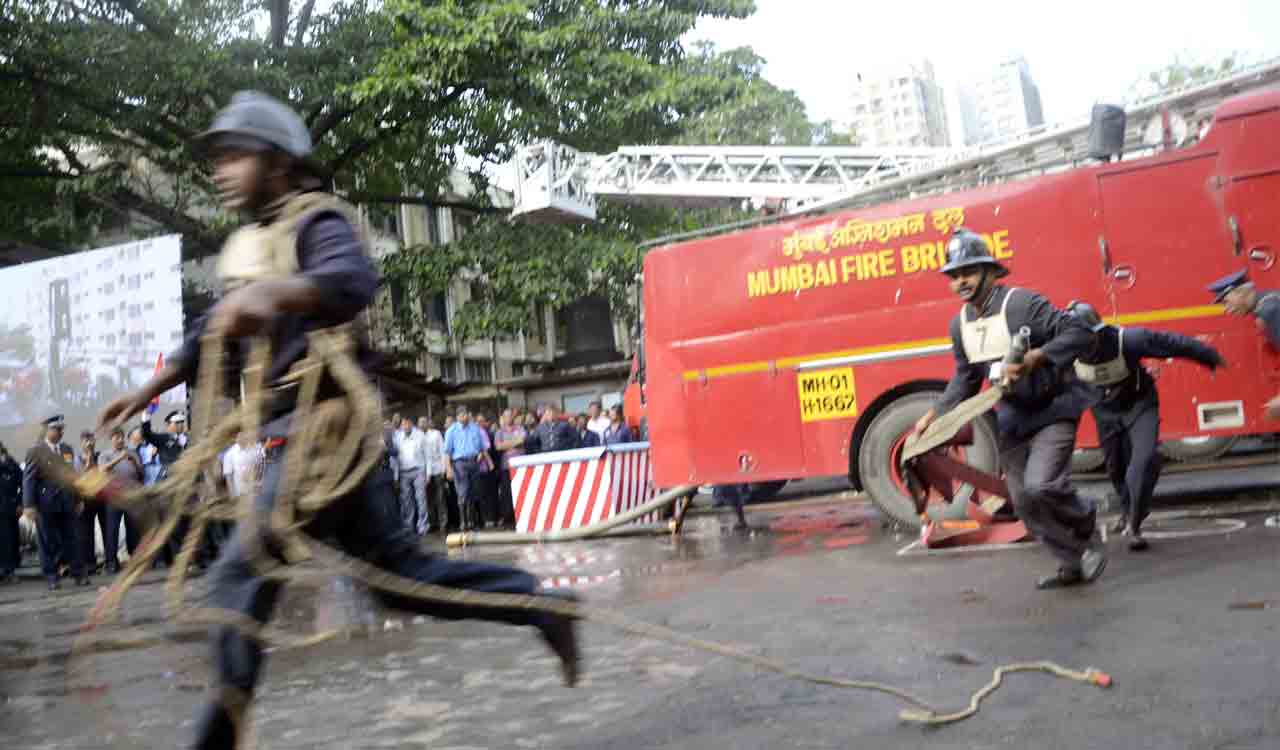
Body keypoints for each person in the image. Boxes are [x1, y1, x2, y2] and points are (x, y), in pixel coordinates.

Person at [95, 91, 579, 750]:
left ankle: (214, 742)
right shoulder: (251, 244)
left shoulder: (316, 221)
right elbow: (211, 330)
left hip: (325, 435)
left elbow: (350, 280)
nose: (220, 170)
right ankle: (539, 604)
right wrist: (152, 385)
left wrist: (275, 294)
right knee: (404, 581)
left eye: (234, 155)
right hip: (297, 437)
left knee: (239, 576)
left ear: (280, 163)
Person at [911, 228, 1103, 590]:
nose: (960, 281)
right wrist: (932, 416)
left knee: (1042, 484)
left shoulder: (1022, 303)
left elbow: (1080, 334)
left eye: (967, 272)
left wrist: (1035, 358)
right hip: (1014, 419)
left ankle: (1086, 521)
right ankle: (1070, 562)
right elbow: (966, 379)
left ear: (989, 271)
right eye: (953, 276)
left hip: (1054, 408)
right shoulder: (960, 325)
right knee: (1022, 501)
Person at [1067, 302, 1225, 551]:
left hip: (1139, 405)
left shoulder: (1127, 340)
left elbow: (1173, 343)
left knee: (1142, 462)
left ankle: (1135, 524)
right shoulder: (1065, 353)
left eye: (1086, 338)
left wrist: (1208, 356)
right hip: (1105, 412)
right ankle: (1127, 509)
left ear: (1098, 332)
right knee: (1115, 468)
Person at [1208, 269, 1280, 525]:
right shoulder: (1269, 304)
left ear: (1241, 293)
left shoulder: (1271, 311)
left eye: (1227, 302)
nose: (1227, 310)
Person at [22, 415, 88, 590]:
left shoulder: (67, 449)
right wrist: (29, 505)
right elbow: (29, 479)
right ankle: (52, 576)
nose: (60, 432)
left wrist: (79, 498)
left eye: (61, 428)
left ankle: (78, 573)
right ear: (47, 430)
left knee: (72, 539)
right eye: (57, 429)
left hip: (67, 501)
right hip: (45, 504)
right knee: (47, 542)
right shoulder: (35, 451)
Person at [97, 427, 144, 572]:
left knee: (133, 529)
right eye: (116, 437)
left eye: (121, 437)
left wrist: (134, 462)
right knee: (112, 530)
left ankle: (134, 560)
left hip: (131, 496)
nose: (120, 440)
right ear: (111, 439)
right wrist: (120, 458)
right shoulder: (105, 455)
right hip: (114, 497)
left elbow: (141, 473)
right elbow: (102, 470)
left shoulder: (133, 453)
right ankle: (111, 562)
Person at [444, 406, 491, 531]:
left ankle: (472, 522)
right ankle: (463, 522)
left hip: (474, 462)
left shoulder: (475, 428)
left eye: (466, 414)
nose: (465, 417)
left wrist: (488, 460)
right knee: (463, 493)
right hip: (459, 464)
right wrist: (448, 469)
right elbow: (447, 452)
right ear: (458, 416)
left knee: (474, 492)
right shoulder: (451, 431)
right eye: (462, 415)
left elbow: (482, 447)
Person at [74, 430, 106, 574]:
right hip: (85, 499)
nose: (90, 443)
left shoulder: (100, 456)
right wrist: (87, 462)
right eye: (86, 440)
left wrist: (92, 458)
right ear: (81, 442)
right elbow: (79, 479)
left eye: (92, 440)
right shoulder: (77, 459)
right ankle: (89, 563)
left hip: (101, 498)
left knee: (107, 529)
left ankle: (110, 560)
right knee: (85, 533)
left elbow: (103, 473)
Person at [392, 416, 429, 535]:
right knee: (407, 501)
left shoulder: (420, 435)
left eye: (407, 424)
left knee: (421, 499)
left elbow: (427, 455)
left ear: (411, 424)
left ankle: (422, 526)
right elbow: (395, 458)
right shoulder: (397, 437)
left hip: (418, 470)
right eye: (403, 425)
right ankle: (409, 526)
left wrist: (428, 473)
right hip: (404, 472)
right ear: (402, 426)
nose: (406, 426)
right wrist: (396, 476)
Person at [493, 409, 526, 529]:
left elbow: (522, 440)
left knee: (521, 491)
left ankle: (522, 515)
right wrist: (514, 443)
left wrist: (506, 444)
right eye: (506, 416)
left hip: (520, 466)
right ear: (503, 418)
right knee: (507, 493)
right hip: (506, 466)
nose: (509, 418)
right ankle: (508, 518)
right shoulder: (499, 432)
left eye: (510, 416)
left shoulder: (520, 428)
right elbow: (498, 446)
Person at [418, 417, 448, 534]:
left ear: (428, 423)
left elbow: (442, 451)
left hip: (437, 470)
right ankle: (432, 523)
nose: (422, 424)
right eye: (420, 423)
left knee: (440, 498)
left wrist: (444, 469)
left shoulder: (436, 434)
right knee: (428, 499)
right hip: (423, 473)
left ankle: (443, 523)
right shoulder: (417, 436)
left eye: (424, 422)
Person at [0, 441, 21, 584]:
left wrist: (19, 502)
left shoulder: (10, 463)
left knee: (9, 540)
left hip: (8, 508)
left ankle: (9, 570)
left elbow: (23, 482)